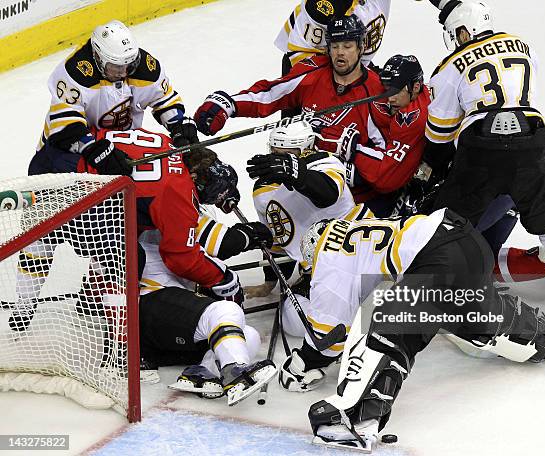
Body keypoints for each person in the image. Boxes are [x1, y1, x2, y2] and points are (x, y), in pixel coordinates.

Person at [295, 212, 545, 450]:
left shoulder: (326, 254)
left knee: (390, 329)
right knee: (470, 315)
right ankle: (538, 337)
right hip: (466, 237)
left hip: (439, 256)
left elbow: (326, 334)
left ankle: (355, 418)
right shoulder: (357, 231)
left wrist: (302, 363)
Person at [413, 1, 545, 327]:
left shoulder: (449, 68)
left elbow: (438, 141)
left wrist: (423, 179)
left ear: (464, 30)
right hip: (531, 139)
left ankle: (432, 295)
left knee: (446, 225)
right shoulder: (522, 46)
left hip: (481, 150)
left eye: (456, 32)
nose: (455, 38)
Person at [193, 15, 389, 206]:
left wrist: (347, 171)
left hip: (356, 199)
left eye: (347, 46)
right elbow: (269, 94)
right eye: (335, 46)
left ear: (361, 47)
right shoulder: (313, 72)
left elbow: (386, 161)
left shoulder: (377, 92)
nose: (340, 53)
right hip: (304, 186)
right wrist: (227, 104)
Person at [78, 128, 273, 303]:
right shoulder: (179, 193)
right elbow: (182, 259)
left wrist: (220, 189)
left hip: (78, 148)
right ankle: (103, 299)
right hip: (73, 198)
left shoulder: (168, 144)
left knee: (147, 225)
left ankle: (99, 286)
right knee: (133, 259)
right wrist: (221, 280)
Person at [244, 121, 373, 333]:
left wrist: (295, 173)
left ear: (304, 151)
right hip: (319, 270)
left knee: (392, 298)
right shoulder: (263, 190)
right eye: (274, 152)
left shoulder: (325, 163)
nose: (276, 158)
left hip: (361, 249)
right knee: (294, 323)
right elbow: (278, 240)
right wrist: (269, 282)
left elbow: (327, 194)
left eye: (283, 154)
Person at [29, 20, 197, 177]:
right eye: (116, 67)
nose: (123, 73)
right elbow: (65, 126)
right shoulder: (76, 72)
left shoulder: (142, 66)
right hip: (66, 152)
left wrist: (178, 125)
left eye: (128, 66)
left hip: (119, 147)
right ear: (98, 57)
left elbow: (163, 98)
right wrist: (94, 149)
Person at [138, 238, 277, 406]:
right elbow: (201, 258)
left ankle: (201, 372)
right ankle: (234, 371)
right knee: (225, 310)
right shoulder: (159, 237)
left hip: (166, 329)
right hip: (148, 303)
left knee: (249, 335)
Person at [317, 54, 430, 216]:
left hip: (400, 185)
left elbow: (386, 178)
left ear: (416, 86)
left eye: (397, 90)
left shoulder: (411, 120)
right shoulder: (412, 95)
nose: (390, 98)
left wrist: (348, 144)